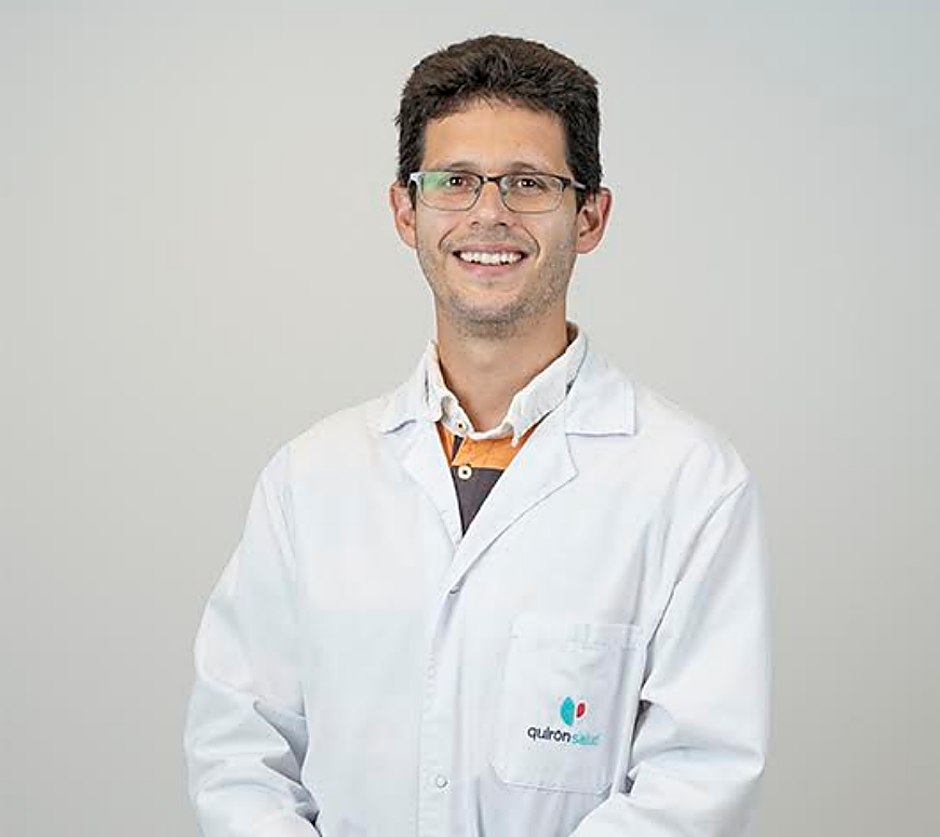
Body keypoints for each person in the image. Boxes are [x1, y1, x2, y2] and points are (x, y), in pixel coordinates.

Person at [183, 33, 772, 837]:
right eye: (454, 181)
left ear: (590, 216)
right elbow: (239, 750)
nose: (488, 213)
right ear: (406, 211)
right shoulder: (309, 481)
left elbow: (696, 779)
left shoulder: (689, 482)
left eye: (529, 182)